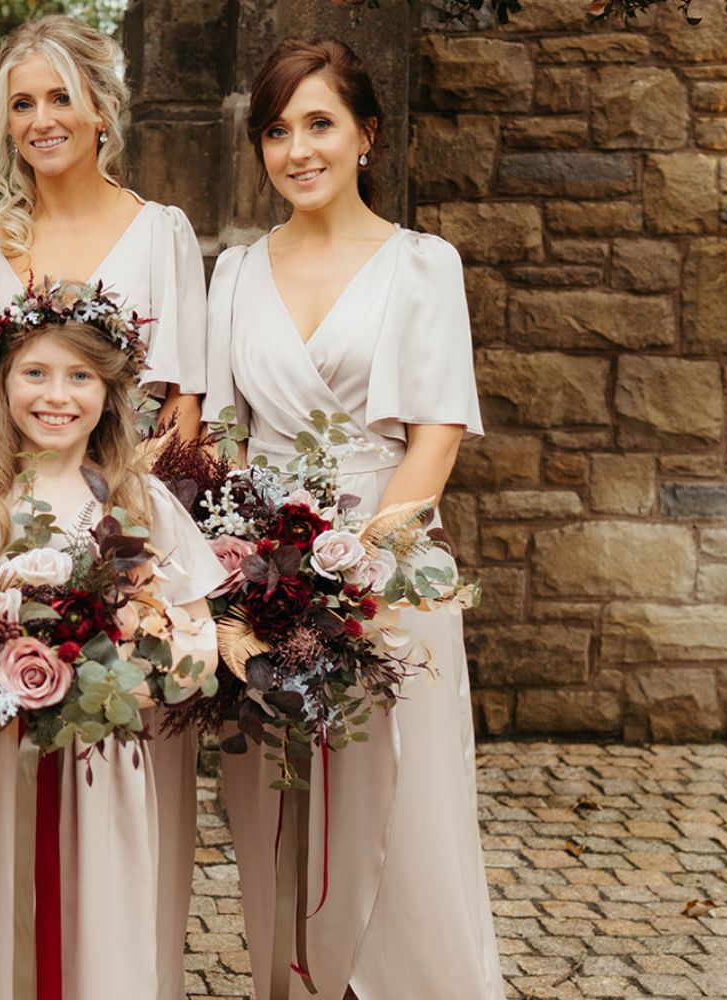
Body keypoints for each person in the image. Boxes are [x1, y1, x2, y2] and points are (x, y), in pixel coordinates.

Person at [202, 37, 503, 1000]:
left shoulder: (421, 264)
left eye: (320, 124)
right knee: (277, 810)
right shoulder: (234, 273)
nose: (297, 150)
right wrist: (254, 580)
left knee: (401, 816)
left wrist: (354, 577)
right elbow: (222, 441)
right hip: (265, 579)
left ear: (367, 135)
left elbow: (436, 438)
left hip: (389, 568)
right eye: (276, 130)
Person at [0, 283, 225, 999]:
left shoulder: (141, 504)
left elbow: (198, 641)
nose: (57, 396)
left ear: (110, 393)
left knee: (97, 934)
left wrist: (111, 681)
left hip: (98, 761)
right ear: (0, 384)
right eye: (35, 372)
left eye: (80, 375)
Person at [0, 14, 206, 439]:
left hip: (135, 472)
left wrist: (130, 479)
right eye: (23, 104)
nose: (41, 121)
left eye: (61, 98)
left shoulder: (161, 233)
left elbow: (183, 398)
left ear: (102, 110)